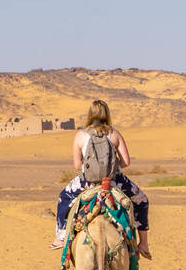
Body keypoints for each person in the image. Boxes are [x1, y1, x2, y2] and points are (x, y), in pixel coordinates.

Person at [53, 99, 151, 260]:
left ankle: (61, 236)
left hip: (87, 183)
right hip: (114, 181)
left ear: (90, 114)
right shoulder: (114, 133)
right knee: (142, 201)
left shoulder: (80, 135)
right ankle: (144, 244)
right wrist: (112, 167)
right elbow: (126, 162)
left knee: (63, 197)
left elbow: (77, 165)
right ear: (107, 114)